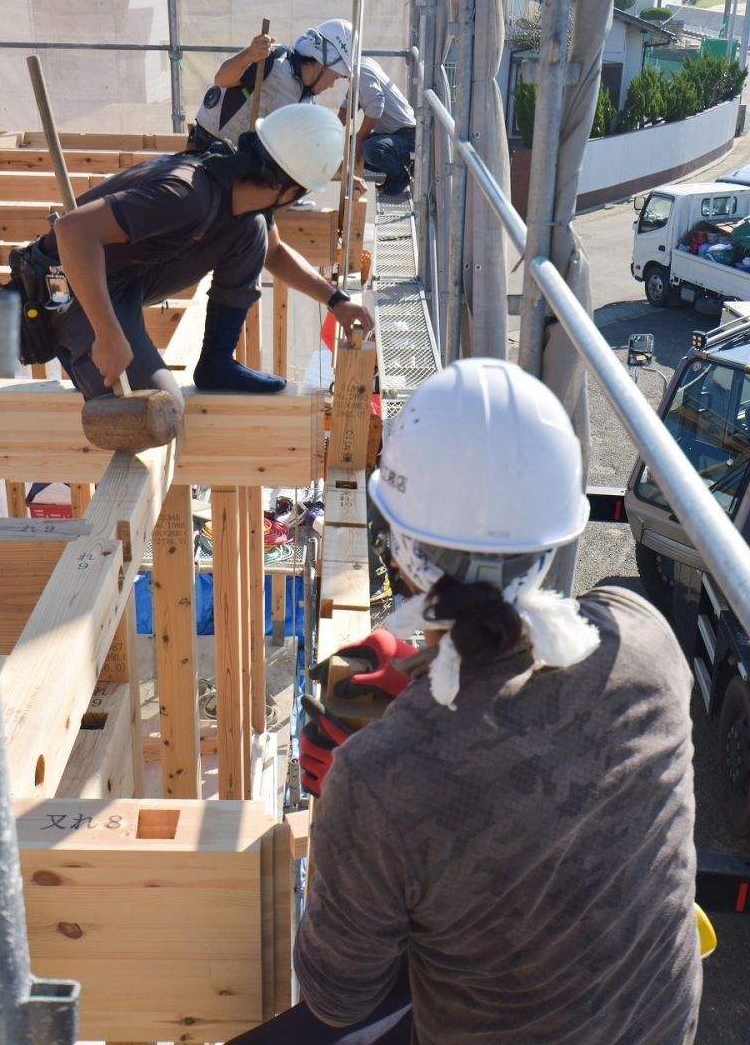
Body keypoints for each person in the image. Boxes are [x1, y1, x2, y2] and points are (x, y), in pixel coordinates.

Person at [295, 358, 701, 1044]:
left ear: (401, 549)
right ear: (557, 533)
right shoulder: (645, 637)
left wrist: (349, 811)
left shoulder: (381, 779)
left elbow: (335, 997)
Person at [14, 104, 372, 407]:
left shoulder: (238, 192)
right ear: (289, 189)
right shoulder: (187, 195)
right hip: (69, 287)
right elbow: (71, 231)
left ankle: (216, 364)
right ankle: (87, 342)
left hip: (125, 275)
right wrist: (108, 334)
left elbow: (273, 252)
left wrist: (336, 301)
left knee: (252, 232)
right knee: (158, 406)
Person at [188, 19, 354, 152]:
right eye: (336, 77)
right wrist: (249, 55)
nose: (332, 85)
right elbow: (222, 79)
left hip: (240, 162)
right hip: (208, 150)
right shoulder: (271, 60)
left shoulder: (305, 98)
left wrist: (342, 170)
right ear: (322, 65)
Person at [339, 55, 416, 196]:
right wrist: (330, 134)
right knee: (350, 147)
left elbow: (376, 104)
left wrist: (360, 138)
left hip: (408, 136)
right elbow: (347, 108)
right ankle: (394, 171)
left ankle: (401, 175)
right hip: (393, 134)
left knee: (371, 148)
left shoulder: (361, 71)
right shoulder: (361, 69)